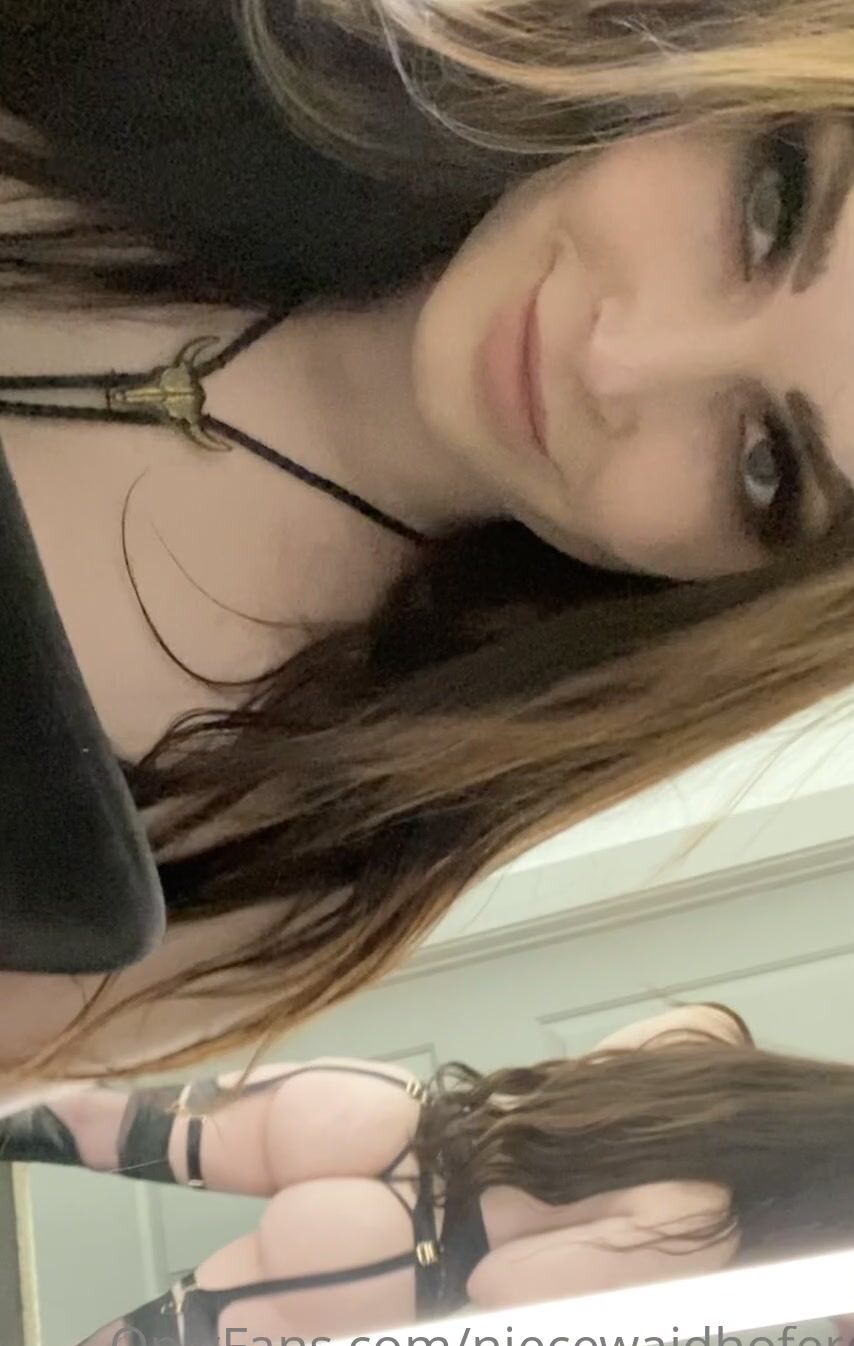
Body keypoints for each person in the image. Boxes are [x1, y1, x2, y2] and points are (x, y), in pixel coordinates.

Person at [2, 2, 854, 1098]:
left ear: (748, 600)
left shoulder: (305, 851)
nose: (618, 362)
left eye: (764, 464)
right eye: (770, 207)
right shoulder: (171, 37)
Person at [4, 999, 854, 1346]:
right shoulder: (701, 1226)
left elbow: (564, 1097)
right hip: (384, 1258)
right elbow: (501, 1289)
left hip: (379, 1118)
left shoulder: (704, 1035)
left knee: (66, 1113)